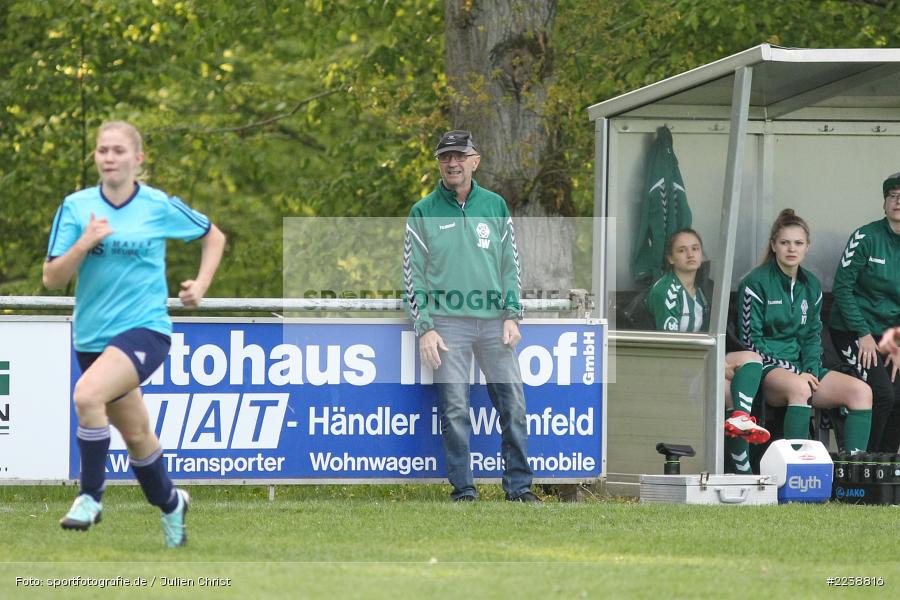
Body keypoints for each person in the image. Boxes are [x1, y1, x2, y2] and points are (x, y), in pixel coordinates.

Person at [44, 121, 226, 547]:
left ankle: (90, 496)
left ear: (137, 159)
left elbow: (213, 236)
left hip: (146, 329)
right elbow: (52, 277)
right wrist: (84, 243)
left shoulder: (158, 205)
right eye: (103, 150)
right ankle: (171, 503)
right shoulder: (77, 207)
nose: (109, 157)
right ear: (95, 157)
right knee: (138, 435)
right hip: (92, 338)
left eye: (118, 151)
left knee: (87, 396)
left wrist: (199, 285)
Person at [403, 130, 537, 502]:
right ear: (439, 163)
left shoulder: (494, 205)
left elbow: (510, 263)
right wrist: (425, 327)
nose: (452, 163)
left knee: (513, 405)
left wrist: (513, 314)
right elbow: (412, 276)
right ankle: (464, 490)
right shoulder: (423, 211)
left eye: (459, 156)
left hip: (496, 322)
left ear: (474, 160)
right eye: (445, 157)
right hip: (447, 325)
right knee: (456, 407)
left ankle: (519, 488)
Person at [736, 209, 872, 453]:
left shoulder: (811, 284)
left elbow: (812, 337)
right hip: (767, 369)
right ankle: (796, 470)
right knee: (799, 387)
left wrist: (809, 369)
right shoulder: (755, 282)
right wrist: (795, 371)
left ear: (807, 246)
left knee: (861, 391)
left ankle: (852, 475)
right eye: (784, 242)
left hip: (803, 369)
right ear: (773, 245)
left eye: (798, 243)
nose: (791, 249)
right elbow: (750, 342)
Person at [646, 229, 769, 475]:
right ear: (670, 259)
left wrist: (716, 365)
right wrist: (715, 366)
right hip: (673, 372)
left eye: (695, 248)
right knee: (725, 389)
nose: (690, 254)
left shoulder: (700, 292)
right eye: (682, 250)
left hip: (700, 364)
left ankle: (740, 419)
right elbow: (671, 346)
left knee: (752, 358)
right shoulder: (665, 291)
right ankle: (741, 467)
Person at [828, 173, 900, 453]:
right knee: (881, 394)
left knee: (898, 395)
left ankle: (886, 463)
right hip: (852, 330)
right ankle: (863, 461)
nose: (898, 201)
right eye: (892, 195)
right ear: (884, 203)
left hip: (890, 335)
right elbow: (842, 289)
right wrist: (863, 333)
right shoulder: (865, 236)